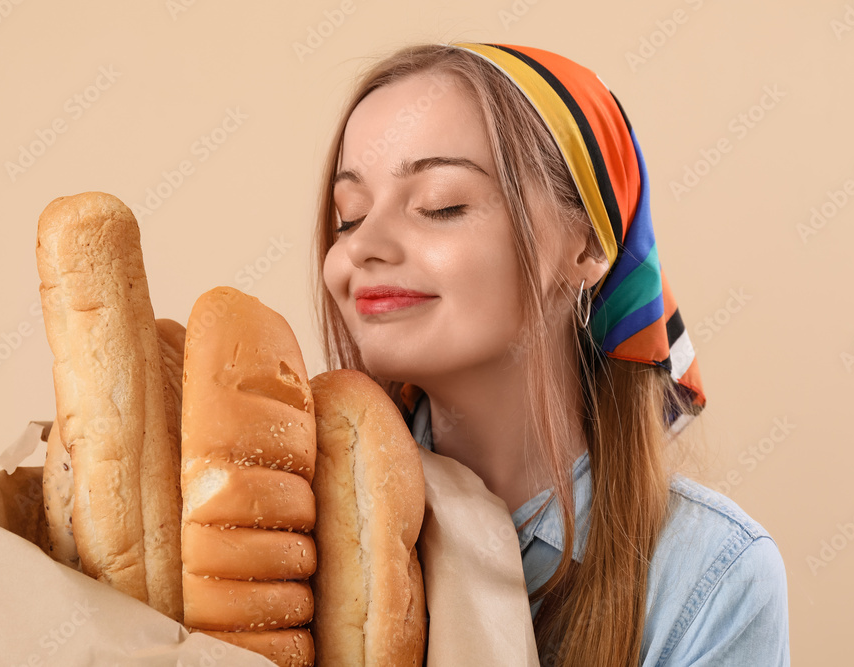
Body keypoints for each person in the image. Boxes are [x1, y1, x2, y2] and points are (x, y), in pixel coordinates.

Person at [313, 41, 789, 666]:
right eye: (349, 217)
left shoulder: (712, 575)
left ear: (587, 245)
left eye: (440, 205)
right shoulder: (295, 515)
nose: (363, 246)